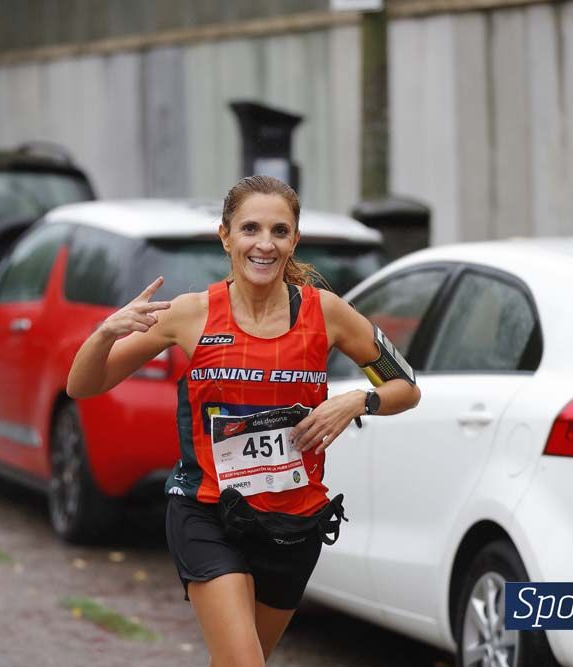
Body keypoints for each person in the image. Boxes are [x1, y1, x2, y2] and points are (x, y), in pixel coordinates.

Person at [67, 175, 420, 665]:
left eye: (279, 231)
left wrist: (357, 402)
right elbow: (83, 384)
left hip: (292, 526)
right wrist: (106, 332)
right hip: (206, 511)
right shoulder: (191, 314)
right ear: (226, 236)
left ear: (294, 240)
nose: (265, 243)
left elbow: (405, 386)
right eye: (250, 228)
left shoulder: (327, 314)